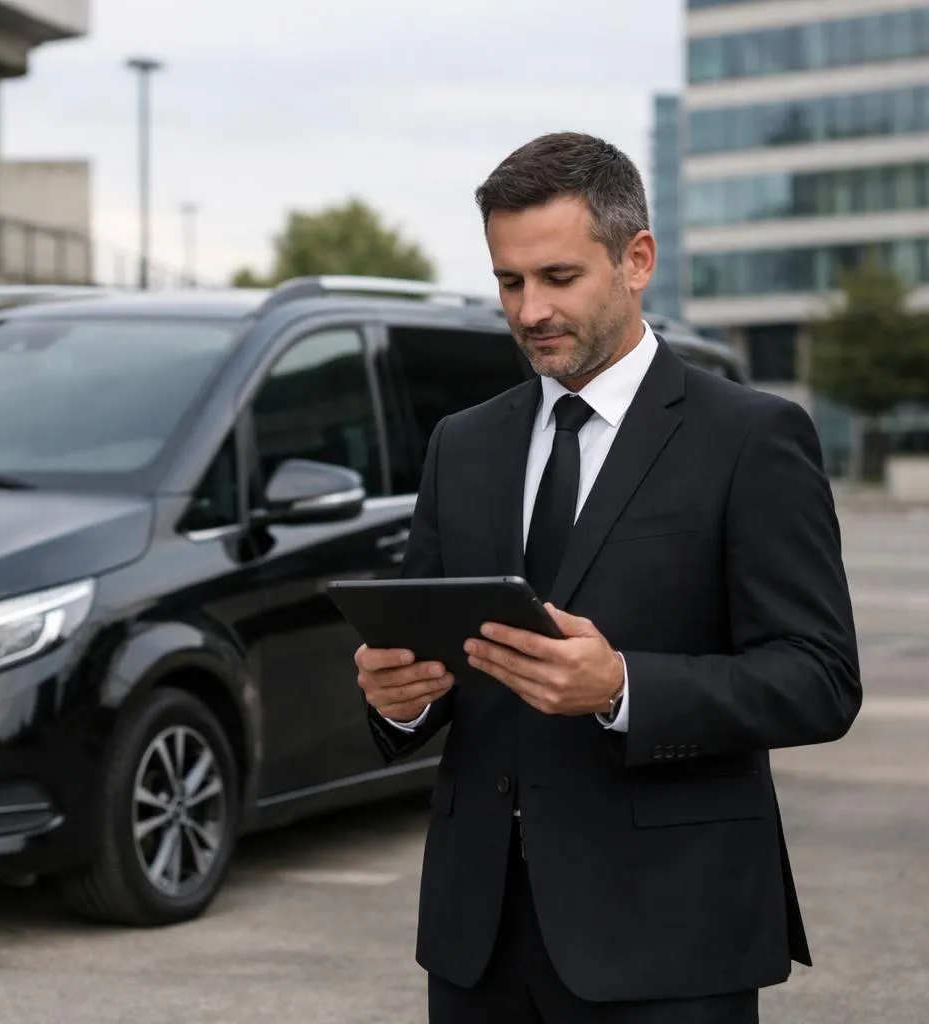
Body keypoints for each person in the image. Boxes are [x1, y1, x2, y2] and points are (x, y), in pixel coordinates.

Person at [353, 132, 862, 1023]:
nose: (529, 309)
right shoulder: (461, 444)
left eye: (557, 277)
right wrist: (399, 697)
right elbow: (431, 654)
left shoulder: (751, 438)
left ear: (637, 260)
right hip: (480, 938)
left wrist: (624, 685)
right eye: (510, 282)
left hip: (670, 933)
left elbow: (819, 680)